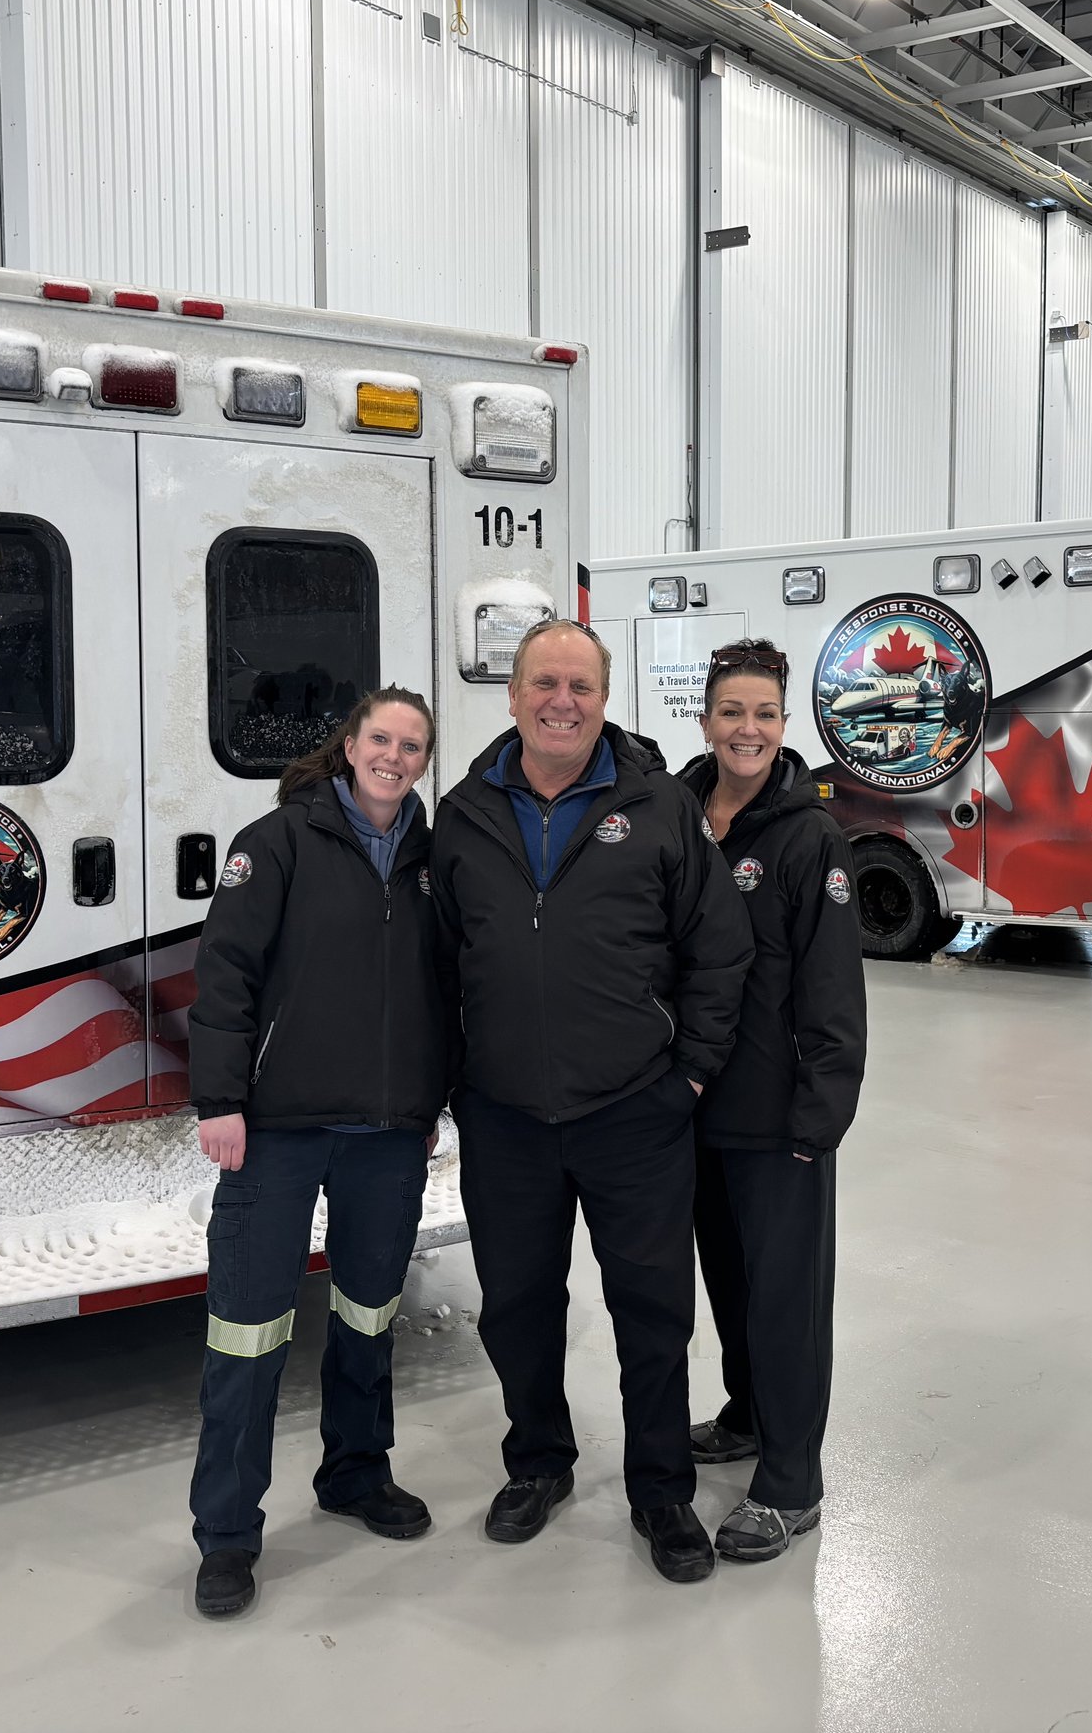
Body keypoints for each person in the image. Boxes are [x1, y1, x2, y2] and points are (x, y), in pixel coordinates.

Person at [429, 619, 754, 1583]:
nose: (560, 701)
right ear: (515, 694)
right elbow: (438, 959)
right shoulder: (463, 812)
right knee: (517, 1306)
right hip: (504, 1115)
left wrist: (687, 1074)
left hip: (633, 1112)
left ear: (606, 697)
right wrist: (455, 1082)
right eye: (543, 683)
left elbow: (719, 949)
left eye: (579, 684)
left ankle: (661, 1490)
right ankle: (538, 1462)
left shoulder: (657, 806)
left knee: (650, 1308)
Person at [183, 687, 452, 1619]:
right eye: (380, 737)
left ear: (424, 759)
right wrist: (221, 1097)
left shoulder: (432, 857)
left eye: (411, 744)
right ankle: (226, 1534)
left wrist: (428, 1098)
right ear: (348, 745)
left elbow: (445, 989)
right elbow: (225, 973)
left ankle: (355, 1472)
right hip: (279, 1129)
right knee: (248, 1330)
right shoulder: (280, 841)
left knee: (371, 1313)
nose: (394, 755)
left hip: (387, 1133)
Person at [679, 640, 867, 1562]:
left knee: (788, 1300)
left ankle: (792, 1484)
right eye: (730, 712)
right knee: (734, 1285)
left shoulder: (808, 835)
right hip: (694, 1109)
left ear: (784, 726)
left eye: (763, 713)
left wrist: (822, 1113)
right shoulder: (680, 813)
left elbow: (833, 990)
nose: (746, 729)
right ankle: (747, 1416)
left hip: (778, 1115)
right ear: (705, 718)